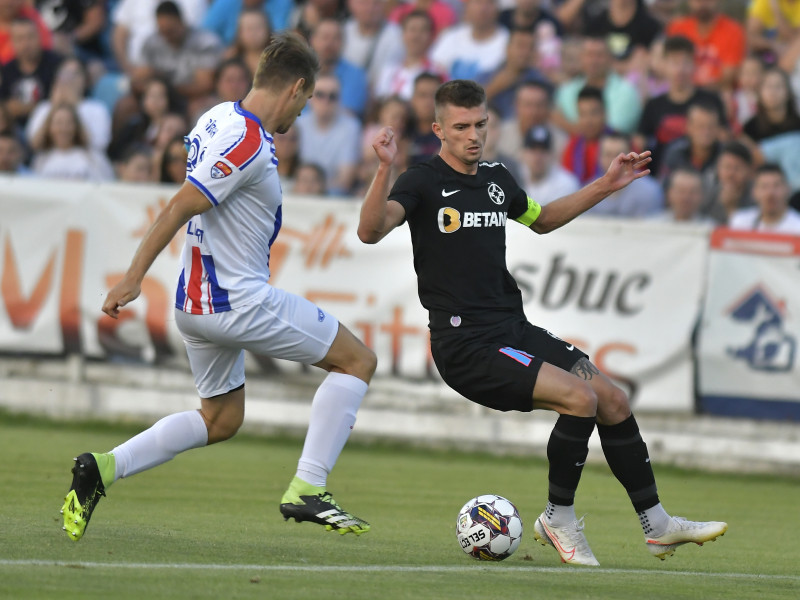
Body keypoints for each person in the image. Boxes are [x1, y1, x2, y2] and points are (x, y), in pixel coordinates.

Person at [357, 78, 727, 565]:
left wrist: (605, 185)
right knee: (581, 399)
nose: (474, 135)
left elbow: (543, 218)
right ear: (439, 130)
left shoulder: (496, 179)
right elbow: (370, 231)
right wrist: (385, 169)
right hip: (465, 345)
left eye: (481, 125)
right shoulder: (421, 181)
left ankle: (657, 525)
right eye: (462, 127)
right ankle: (558, 518)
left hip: (513, 328)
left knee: (612, 399)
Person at [61, 32, 376, 542]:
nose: (302, 113)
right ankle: (308, 487)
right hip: (236, 299)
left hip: (197, 304)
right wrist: (133, 275)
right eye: (308, 98)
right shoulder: (248, 140)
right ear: (295, 88)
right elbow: (182, 203)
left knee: (221, 418)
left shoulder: (215, 118)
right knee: (357, 361)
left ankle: (101, 468)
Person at [665, 0, 746, 91]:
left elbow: (728, 77)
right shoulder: (677, 28)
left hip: (716, 94)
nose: (702, 4)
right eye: (697, 1)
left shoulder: (733, 31)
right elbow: (666, 65)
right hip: (681, 92)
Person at [583, 132, 663, 218]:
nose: (613, 161)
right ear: (598, 157)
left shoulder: (650, 190)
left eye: (619, 155)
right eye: (608, 154)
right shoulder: (588, 191)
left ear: (631, 155)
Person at [31, 102, 114, 181]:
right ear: (49, 127)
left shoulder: (93, 158)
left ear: (76, 127)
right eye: (58, 123)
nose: (63, 129)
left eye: (69, 123)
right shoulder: (41, 160)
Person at [729, 163, 800, 233]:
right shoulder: (740, 223)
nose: (770, 193)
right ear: (754, 192)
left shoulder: (797, 226)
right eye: (764, 186)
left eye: (776, 186)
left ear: (787, 189)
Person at [519, 124, 580, 206]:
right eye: (533, 149)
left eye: (543, 150)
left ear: (552, 154)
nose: (538, 157)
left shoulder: (566, 183)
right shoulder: (515, 176)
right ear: (523, 153)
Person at [651, 167, 716, 224]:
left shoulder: (712, 229)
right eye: (681, 191)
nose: (686, 198)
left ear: (701, 195)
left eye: (692, 192)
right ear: (669, 193)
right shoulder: (651, 225)